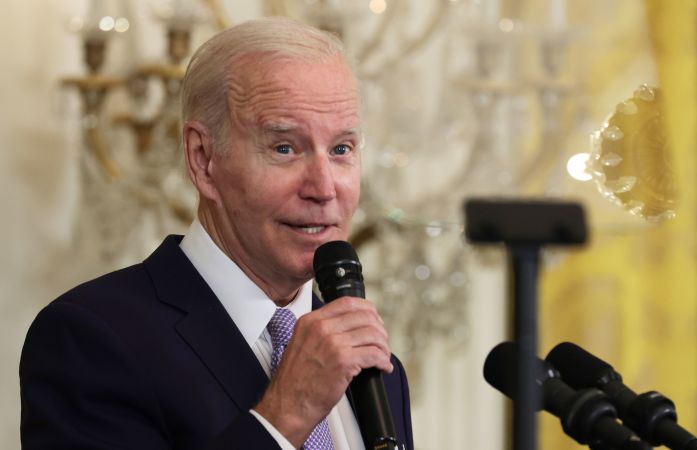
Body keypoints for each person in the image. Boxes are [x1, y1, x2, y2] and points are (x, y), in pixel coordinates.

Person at [20, 17, 413, 450]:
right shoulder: (91, 338)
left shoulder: (377, 371)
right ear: (204, 158)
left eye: (341, 149)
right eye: (284, 148)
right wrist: (286, 415)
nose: (323, 188)